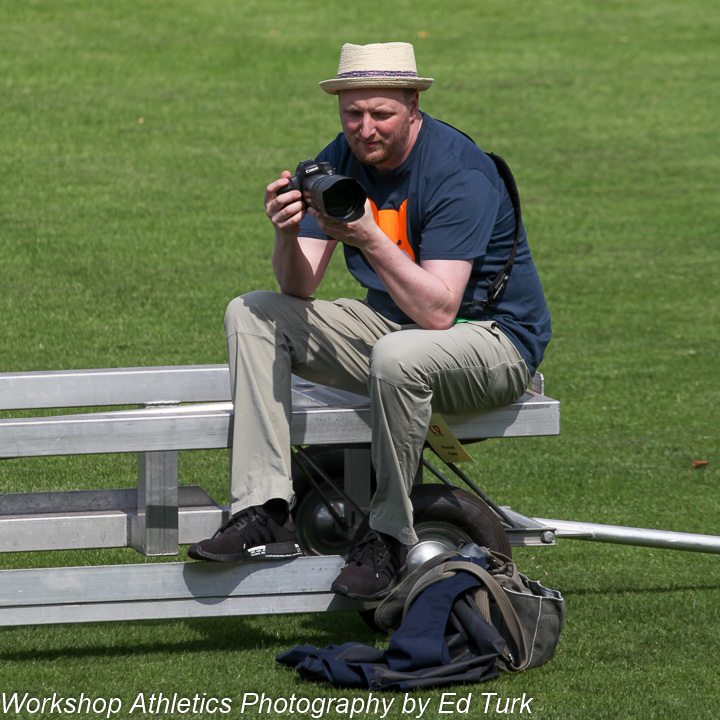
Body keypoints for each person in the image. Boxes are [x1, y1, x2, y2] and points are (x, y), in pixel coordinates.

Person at [188, 42, 551, 601]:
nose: (365, 128)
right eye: (352, 114)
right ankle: (264, 511)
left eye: (381, 113)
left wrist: (366, 237)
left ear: (413, 105)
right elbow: (299, 286)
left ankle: (388, 536)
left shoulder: (460, 172)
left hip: (494, 341)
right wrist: (286, 231)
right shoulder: (341, 158)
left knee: (397, 356)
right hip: (396, 328)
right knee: (253, 311)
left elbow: (438, 311)